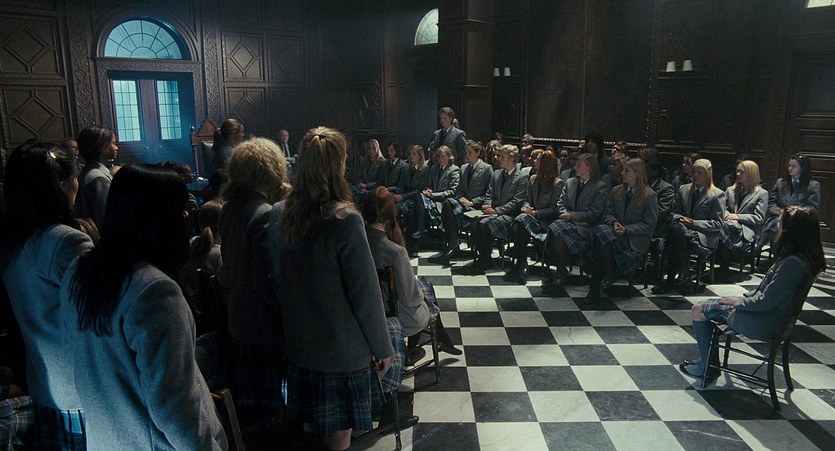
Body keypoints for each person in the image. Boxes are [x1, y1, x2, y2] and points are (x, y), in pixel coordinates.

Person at [61, 164, 227, 449]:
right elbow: (175, 405)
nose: (186, 215)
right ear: (158, 217)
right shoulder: (155, 291)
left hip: (107, 439)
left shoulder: (80, 272)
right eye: (179, 208)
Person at [268, 126, 393, 451]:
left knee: (311, 430)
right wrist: (383, 347)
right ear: (337, 165)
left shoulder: (279, 214)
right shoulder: (344, 220)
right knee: (338, 439)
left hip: (300, 345)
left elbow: (276, 281)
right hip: (341, 352)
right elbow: (365, 295)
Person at [0, 142, 94, 450]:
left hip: (44, 383)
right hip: (79, 388)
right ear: (62, 185)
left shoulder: (13, 241)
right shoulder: (66, 242)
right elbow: (96, 314)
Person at [679, 206, 826, 384]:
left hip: (762, 322)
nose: (775, 228)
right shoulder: (803, 260)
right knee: (714, 304)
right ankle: (709, 363)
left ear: (792, 232)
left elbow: (765, 301)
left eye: (780, 225)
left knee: (698, 309)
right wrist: (743, 299)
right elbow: (770, 296)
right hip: (771, 318)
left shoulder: (792, 264)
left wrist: (738, 302)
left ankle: (706, 368)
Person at [218, 138, 291, 422]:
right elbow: (267, 278)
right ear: (269, 169)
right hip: (262, 324)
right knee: (271, 406)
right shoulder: (264, 213)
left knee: (252, 407)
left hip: (238, 316)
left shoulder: (229, 208)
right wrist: (287, 312)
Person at [362, 187, 462, 355]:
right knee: (426, 291)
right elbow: (411, 299)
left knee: (424, 286)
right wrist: (421, 293)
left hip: (367, 310)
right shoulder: (396, 252)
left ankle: (437, 342)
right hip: (393, 314)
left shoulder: (357, 242)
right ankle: (422, 347)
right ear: (390, 213)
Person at [586, 158, 657, 301]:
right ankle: (606, 274)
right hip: (613, 234)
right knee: (602, 235)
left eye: (627, 171)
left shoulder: (649, 195)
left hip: (633, 240)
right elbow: (607, 213)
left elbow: (649, 224)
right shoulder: (616, 190)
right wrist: (614, 223)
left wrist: (627, 229)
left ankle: (597, 285)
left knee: (601, 240)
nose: (622, 173)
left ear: (637, 174)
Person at [652, 159, 725, 294]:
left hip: (702, 235)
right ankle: (683, 269)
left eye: (700, 172)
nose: (695, 175)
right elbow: (673, 213)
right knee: (676, 230)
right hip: (682, 230)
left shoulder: (717, 194)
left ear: (708, 174)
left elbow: (717, 224)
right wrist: (681, 220)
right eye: (694, 172)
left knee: (674, 233)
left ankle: (670, 280)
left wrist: (693, 223)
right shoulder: (684, 189)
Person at [458, 144, 528, 275]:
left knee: (483, 224)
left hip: (508, 215)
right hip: (492, 212)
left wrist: (497, 211)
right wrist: (487, 205)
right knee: (474, 223)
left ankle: (486, 259)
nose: (498, 159)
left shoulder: (522, 177)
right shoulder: (496, 174)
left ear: (511, 158)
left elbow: (517, 202)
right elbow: (489, 194)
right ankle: (483, 255)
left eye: (502, 157)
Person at [545, 153, 608, 287]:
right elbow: (560, 204)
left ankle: (561, 269)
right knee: (556, 227)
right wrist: (569, 217)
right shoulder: (570, 182)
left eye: (579, 165)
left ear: (589, 168)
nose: (575, 167)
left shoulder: (599, 186)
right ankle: (561, 269)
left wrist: (572, 216)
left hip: (587, 227)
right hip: (569, 223)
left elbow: (595, 214)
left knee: (557, 227)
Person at [429, 140, 493, 264]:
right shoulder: (464, 168)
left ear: (478, 153)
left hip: (476, 206)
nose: (467, 156)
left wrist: (472, 202)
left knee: (454, 208)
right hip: (462, 203)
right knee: (448, 203)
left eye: (470, 153)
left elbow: (489, 193)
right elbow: (458, 190)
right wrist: (461, 199)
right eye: (466, 153)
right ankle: (453, 243)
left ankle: (480, 254)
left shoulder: (487, 169)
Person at [505, 149, 564, 284]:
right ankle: (522, 262)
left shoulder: (558, 183)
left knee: (520, 222)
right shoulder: (533, 179)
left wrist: (535, 213)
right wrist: (526, 207)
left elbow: (554, 209)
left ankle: (521, 261)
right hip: (531, 218)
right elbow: (527, 199)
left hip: (546, 221)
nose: (535, 161)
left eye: (538, 160)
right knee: (520, 221)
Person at [716, 160, 768, 277]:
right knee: (719, 225)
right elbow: (721, 208)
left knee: (722, 227)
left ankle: (724, 266)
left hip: (746, 229)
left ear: (751, 173)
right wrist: (728, 216)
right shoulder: (730, 190)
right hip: (728, 223)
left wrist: (738, 217)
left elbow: (759, 217)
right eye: (737, 171)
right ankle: (722, 264)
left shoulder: (762, 194)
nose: (738, 174)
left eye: (742, 172)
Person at [761, 154, 821, 248]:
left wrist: (795, 212)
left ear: (802, 168)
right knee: (776, 224)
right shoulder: (780, 183)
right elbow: (771, 202)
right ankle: (760, 249)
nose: (790, 168)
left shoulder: (812, 186)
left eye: (794, 166)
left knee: (787, 227)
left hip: (799, 220)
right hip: (778, 216)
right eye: (789, 165)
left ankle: (782, 251)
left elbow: (812, 207)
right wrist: (778, 211)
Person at [409, 145, 460, 238]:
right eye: (438, 156)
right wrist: (429, 190)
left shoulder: (454, 169)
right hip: (432, 198)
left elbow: (452, 191)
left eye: (443, 156)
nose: (440, 159)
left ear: (449, 157)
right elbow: (430, 185)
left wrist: (434, 195)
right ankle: (421, 228)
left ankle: (422, 228)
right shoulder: (434, 169)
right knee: (418, 196)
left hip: (444, 201)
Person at [75, 125, 118, 228]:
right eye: (113, 143)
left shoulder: (89, 171)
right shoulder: (98, 178)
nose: (116, 147)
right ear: (102, 147)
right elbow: (105, 215)